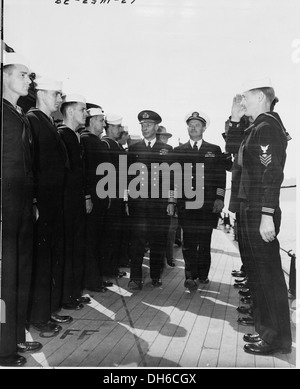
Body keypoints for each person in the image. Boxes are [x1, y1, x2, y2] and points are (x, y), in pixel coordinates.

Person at [230, 78, 292, 355]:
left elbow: (271, 173)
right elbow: (234, 153)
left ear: (261, 99)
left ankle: (276, 339)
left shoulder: (267, 128)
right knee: (256, 272)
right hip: (249, 207)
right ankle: (265, 330)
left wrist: (267, 214)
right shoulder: (255, 127)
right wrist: (234, 117)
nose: (242, 103)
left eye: (245, 99)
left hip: (259, 209)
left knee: (267, 275)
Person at [0, 52, 42, 367]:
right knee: (5, 280)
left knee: (19, 275)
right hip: (5, 208)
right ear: (5, 76)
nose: (30, 80)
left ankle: (14, 336)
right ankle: (3, 348)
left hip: (21, 206)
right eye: (23, 75)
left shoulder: (16, 112)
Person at [25, 77, 73, 335]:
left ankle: (48, 311)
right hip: (42, 205)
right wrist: (33, 201)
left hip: (53, 204)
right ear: (41, 93)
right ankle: (39, 318)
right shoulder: (32, 121)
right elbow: (30, 164)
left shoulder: (47, 123)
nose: (60, 99)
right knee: (41, 261)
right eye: (56, 94)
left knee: (50, 260)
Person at [174, 110, 226, 290]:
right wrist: (173, 201)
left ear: (204, 128)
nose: (193, 128)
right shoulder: (178, 151)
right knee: (188, 243)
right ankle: (190, 276)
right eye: (190, 125)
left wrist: (219, 197)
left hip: (207, 205)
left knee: (204, 241)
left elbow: (221, 177)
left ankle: (203, 274)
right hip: (186, 205)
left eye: (197, 125)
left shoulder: (214, 150)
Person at [127, 110, 175, 290]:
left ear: (156, 127)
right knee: (137, 241)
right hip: (138, 204)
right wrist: (126, 201)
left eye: (148, 125)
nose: (145, 128)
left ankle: (155, 275)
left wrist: (171, 201)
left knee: (158, 240)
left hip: (160, 205)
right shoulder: (133, 149)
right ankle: (135, 278)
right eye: (142, 125)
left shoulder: (167, 150)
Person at [58, 94, 91, 310]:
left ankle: (74, 293)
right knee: (68, 250)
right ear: (70, 112)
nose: (86, 114)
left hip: (76, 202)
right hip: (67, 203)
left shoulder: (74, 136)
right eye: (83, 110)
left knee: (76, 248)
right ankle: (67, 297)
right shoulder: (62, 135)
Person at [80, 106, 109, 293]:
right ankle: (91, 281)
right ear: (91, 121)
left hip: (101, 198)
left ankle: (96, 277)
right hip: (91, 199)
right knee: (90, 240)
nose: (103, 123)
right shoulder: (85, 140)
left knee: (98, 240)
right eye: (100, 120)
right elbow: (84, 171)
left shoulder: (97, 142)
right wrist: (87, 196)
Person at [100, 113, 128, 286]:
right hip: (111, 197)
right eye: (118, 127)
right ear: (109, 127)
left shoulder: (116, 145)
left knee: (115, 235)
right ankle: (106, 271)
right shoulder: (106, 144)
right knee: (108, 236)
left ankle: (112, 268)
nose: (120, 129)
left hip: (118, 197)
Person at [156, 125, 177, 267]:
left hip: (167, 199)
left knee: (169, 233)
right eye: (162, 137)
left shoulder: (171, 152)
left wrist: (172, 200)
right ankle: (162, 261)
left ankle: (168, 259)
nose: (164, 140)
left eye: (165, 138)